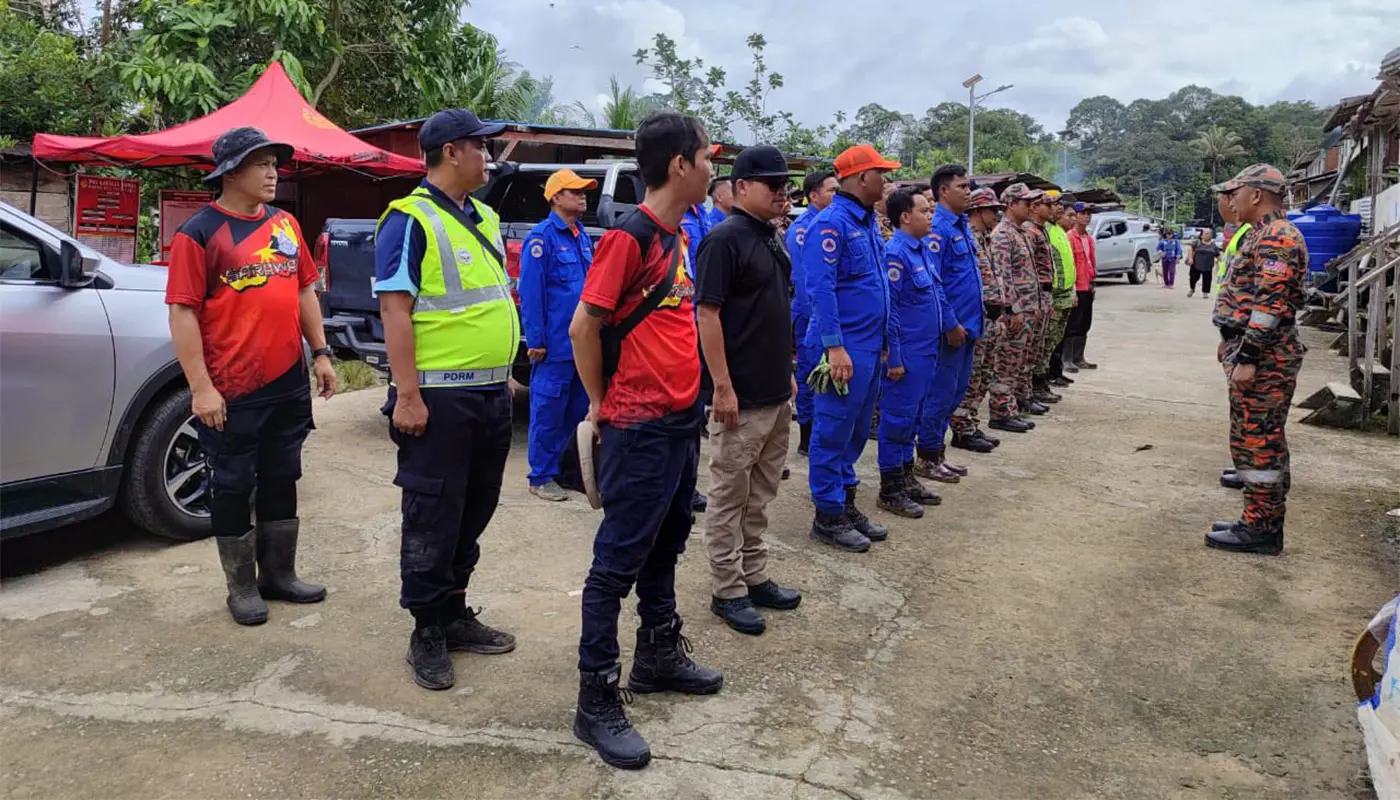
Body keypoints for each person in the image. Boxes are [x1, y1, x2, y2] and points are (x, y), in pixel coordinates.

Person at [568, 111, 723, 770]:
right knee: (615, 566)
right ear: (680, 165)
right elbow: (583, 328)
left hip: (679, 423)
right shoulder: (629, 238)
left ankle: (657, 655)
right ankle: (595, 700)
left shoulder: (678, 234)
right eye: (707, 157)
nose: (714, 169)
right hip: (638, 426)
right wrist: (601, 404)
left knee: (667, 543)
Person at [166, 126, 336, 626]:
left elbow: (304, 291)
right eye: (261, 164)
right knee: (233, 485)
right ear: (231, 172)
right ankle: (241, 587)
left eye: (274, 164)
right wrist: (201, 388)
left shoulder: (286, 224)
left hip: (286, 381)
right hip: (232, 388)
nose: (272, 173)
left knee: (284, 476)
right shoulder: (199, 234)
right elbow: (182, 313)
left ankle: (279, 575)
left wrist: (321, 353)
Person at [373, 109, 519, 689]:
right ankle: (427, 628)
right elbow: (395, 310)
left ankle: (455, 611)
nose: (489, 157)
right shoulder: (408, 219)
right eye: (482, 146)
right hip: (438, 399)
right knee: (432, 515)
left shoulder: (483, 215)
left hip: (490, 394)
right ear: (452, 152)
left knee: (474, 509)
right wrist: (406, 394)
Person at [695, 145, 803, 636]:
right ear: (740, 187)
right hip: (739, 397)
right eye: (772, 185)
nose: (782, 194)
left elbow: (775, 310)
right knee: (728, 496)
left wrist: (787, 373)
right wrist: (721, 386)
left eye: (785, 185)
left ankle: (754, 575)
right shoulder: (724, 240)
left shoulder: (771, 236)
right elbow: (707, 314)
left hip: (774, 392)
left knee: (759, 495)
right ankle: (727, 588)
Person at [1207, 164, 1308, 556]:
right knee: (1251, 439)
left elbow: (1270, 305)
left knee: (1259, 440)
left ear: (1256, 194)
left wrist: (1248, 356)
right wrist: (1229, 340)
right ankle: (1257, 517)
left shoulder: (1278, 237)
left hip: (1266, 357)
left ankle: (1262, 528)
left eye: (1235, 193)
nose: (1230, 201)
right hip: (1253, 349)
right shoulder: (1260, 233)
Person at [804, 144, 901, 553]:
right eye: (882, 173)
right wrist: (834, 348)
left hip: (869, 346)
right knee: (832, 430)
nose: (887, 181)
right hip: (843, 348)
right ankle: (827, 514)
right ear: (863, 178)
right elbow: (820, 289)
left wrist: (886, 342)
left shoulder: (867, 223)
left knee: (858, 430)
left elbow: (878, 286)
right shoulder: (831, 224)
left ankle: (845, 501)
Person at [518, 169, 597, 501]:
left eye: (583, 191)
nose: (582, 196)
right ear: (555, 197)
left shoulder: (581, 236)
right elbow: (531, 293)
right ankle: (541, 476)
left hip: (581, 344)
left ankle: (566, 472)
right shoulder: (542, 239)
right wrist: (535, 340)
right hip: (554, 345)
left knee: (577, 411)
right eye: (575, 191)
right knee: (548, 410)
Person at [874, 188, 947, 518]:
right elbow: (890, 310)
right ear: (904, 217)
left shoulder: (921, 250)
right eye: (924, 211)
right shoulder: (895, 254)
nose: (930, 216)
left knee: (914, 418)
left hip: (927, 351)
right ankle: (890, 489)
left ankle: (905, 478)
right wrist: (895, 357)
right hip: (907, 354)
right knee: (897, 421)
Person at [915, 165, 982, 482]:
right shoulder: (938, 228)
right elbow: (934, 282)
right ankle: (927, 456)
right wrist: (950, 323)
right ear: (943, 191)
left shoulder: (961, 225)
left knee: (955, 394)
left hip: (968, 326)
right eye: (962, 187)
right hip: (949, 330)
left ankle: (938, 453)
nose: (968, 192)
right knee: (940, 395)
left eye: (968, 187)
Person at [950, 187, 1011, 451]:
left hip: (990, 318)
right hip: (976, 319)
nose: (996, 214)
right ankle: (961, 428)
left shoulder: (985, 238)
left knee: (984, 375)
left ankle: (971, 424)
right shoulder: (967, 238)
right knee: (971, 377)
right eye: (992, 209)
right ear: (978, 210)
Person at [787, 170, 839, 456]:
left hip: (826, 314)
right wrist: (817, 321)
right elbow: (804, 280)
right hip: (809, 314)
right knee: (809, 374)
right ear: (814, 196)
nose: (837, 195)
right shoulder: (804, 229)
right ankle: (807, 435)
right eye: (832, 190)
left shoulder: (834, 223)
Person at [988, 183, 1042, 433]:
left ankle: (1009, 409)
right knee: (1006, 364)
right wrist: (1011, 309)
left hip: (1027, 309)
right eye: (1026, 202)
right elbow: (1003, 275)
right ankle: (1000, 412)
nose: (1031, 207)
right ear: (1010, 204)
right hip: (1016, 313)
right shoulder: (1003, 234)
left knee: (1018, 362)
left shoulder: (1019, 232)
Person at [1021, 193, 1057, 411]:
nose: (1051, 208)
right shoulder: (1029, 231)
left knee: (1035, 348)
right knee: (1025, 349)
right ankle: (1023, 395)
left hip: (1042, 294)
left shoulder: (1041, 230)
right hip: (1031, 297)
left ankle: (1028, 393)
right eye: (1047, 205)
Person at [1040, 194, 1078, 389]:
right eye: (1055, 204)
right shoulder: (1043, 230)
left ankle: (1050, 375)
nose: (1059, 208)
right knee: (1046, 342)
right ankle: (1042, 380)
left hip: (1064, 294)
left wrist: (1072, 291)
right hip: (1051, 296)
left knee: (1056, 339)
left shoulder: (1060, 231)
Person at [1063, 203, 1098, 372]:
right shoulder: (1069, 237)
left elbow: (1091, 261)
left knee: (1085, 323)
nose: (1087, 216)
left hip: (1087, 286)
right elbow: (1069, 265)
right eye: (1083, 213)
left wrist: (1093, 281)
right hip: (1076, 287)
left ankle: (1079, 357)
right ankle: (1067, 359)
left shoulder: (1088, 238)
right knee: (1072, 324)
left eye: (1089, 213)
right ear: (1075, 216)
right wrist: (1072, 289)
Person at [1187, 228, 1219, 299]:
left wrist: (1221, 262)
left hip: (1208, 265)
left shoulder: (1213, 245)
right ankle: (1192, 289)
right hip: (1196, 264)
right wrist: (1190, 258)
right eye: (1206, 234)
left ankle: (1205, 292)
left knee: (1207, 280)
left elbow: (1217, 254)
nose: (1208, 235)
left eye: (1209, 234)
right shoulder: (1197, 242)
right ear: (1201, 236)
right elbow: (1190, 248)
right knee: (1193, 278)